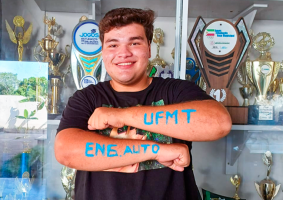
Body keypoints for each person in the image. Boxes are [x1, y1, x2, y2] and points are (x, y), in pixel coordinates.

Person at [55, 7, 232, 200]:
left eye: (134, 43)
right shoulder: (86, 98)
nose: (123, 53)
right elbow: (66, 151)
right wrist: (156, 150)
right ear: (103, 51)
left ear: (149, 47)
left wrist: (119, 116)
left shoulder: (176, 91)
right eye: (113, 45)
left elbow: (218, 123)